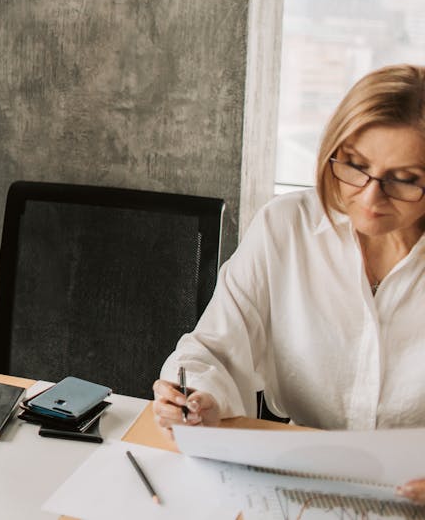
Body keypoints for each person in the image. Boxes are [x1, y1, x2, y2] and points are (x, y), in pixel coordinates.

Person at [152, 64, 425, 504]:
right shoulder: (286, 226)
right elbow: (214, 349)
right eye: (355, 166)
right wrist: (194, 397)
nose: (371, 198)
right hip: (300, 484)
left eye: (405, 179)